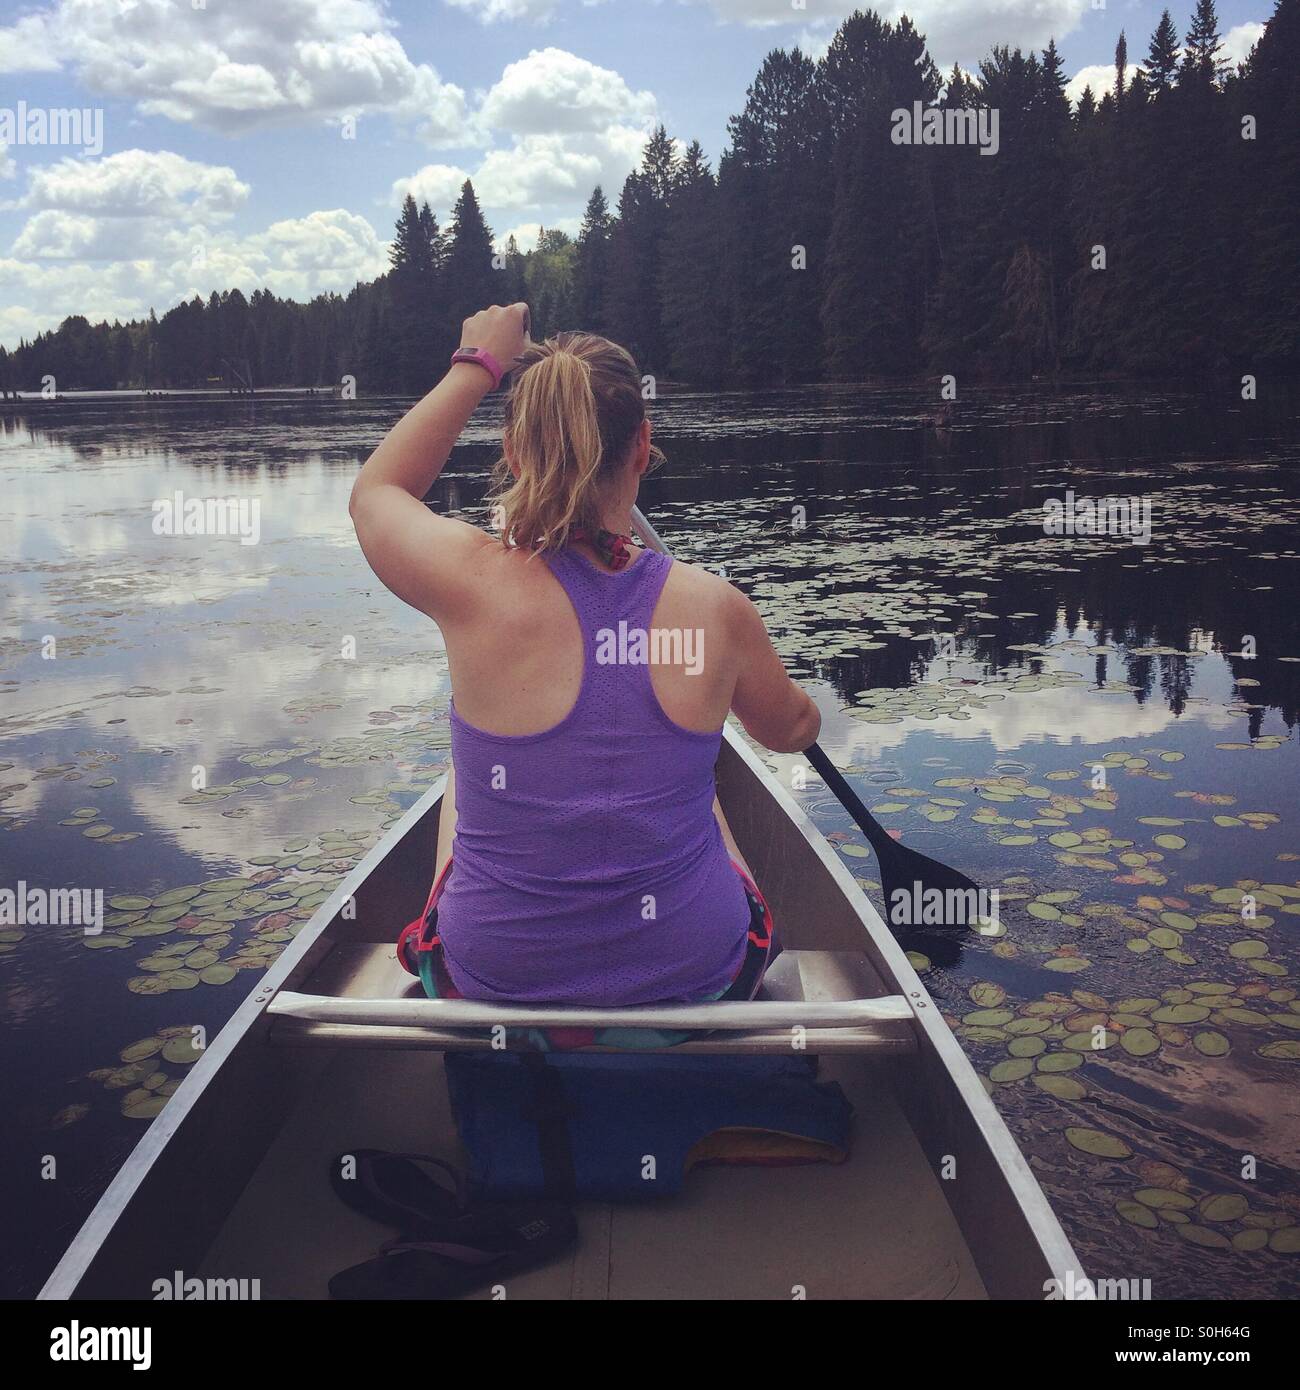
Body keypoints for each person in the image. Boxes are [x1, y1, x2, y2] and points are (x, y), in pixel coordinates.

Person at [350, 304, 820, 1008]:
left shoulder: (468, 580)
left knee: (464, 769)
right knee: (705, 786)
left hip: (497, 977)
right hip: (693, 972)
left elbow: (375, 495)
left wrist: (476, 363)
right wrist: (795, 709)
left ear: (512, 454)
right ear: (641, 447)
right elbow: (788, 731)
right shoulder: (714, 609)